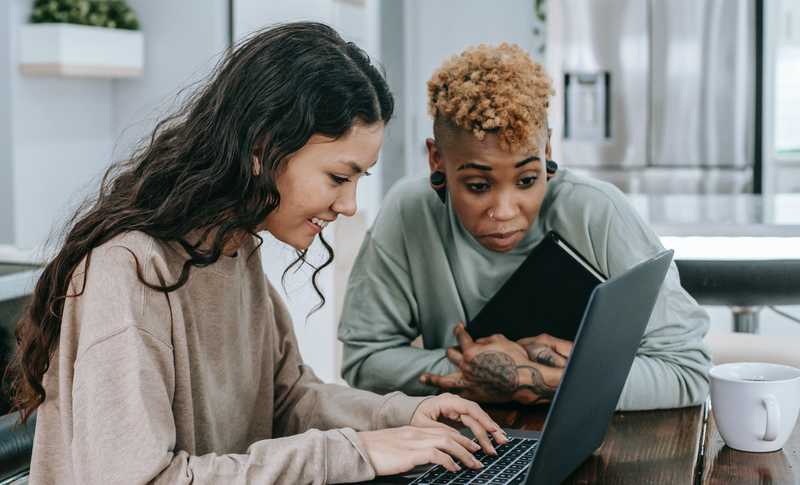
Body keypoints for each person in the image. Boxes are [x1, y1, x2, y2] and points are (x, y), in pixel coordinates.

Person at [10, 23, 508, 485]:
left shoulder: (232, 248)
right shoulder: (128, 273)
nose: (350, 204)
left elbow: (287, 397)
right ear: (262, 149)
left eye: (359, 179)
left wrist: (401, 416)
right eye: (338, 176)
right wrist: (356, 451)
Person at [338, 43, 711, 411]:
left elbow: (687, 371)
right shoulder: (410, 211)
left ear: (547, 151)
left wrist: (536, 379)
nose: (503, 211)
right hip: (466, 444)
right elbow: (364, 362)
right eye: (478, 186)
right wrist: (483, 371)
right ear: (437, 159)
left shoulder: (596, 212)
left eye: (527, 180)